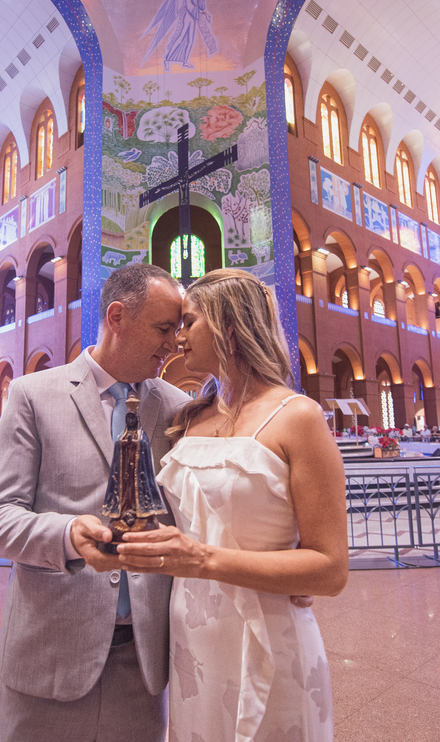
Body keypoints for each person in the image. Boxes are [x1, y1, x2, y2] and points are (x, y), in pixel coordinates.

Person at [115, 269, 347, 741]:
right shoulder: (186, 418)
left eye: (190, 322)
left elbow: (330, 568)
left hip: (266, 629)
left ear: (230, 324)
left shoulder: (296, 417)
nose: (178, 338)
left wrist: (203, 559)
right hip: (192, 637)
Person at [0, 263, 191, 742]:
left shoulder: (178, 408)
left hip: (142, 664)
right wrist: (67, 535)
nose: (173, 344)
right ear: (117, 317)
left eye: (178, 330)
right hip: (51, 653)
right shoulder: (34, 395)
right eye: (162, 328)